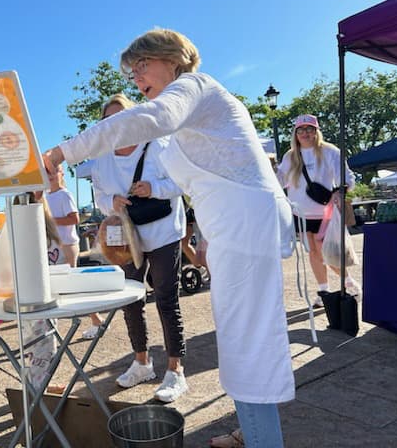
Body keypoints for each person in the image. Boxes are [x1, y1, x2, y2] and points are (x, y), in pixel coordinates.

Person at [42, 28, 294, 447]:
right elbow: (184, 181)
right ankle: (253, 429)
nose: (137, 79)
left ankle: (262, 438)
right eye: (133, 73)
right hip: (232, 228)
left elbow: (146, 119)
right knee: (240, 337)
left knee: (248, 340)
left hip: (246, 228)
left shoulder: (193, 87)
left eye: (142, 66)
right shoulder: (186, 114)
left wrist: (62, 152)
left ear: (171, 59)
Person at [82, 93, 192, 402]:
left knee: (167, 299)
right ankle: (142, 362)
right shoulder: (102, 158)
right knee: (131, 299)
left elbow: (184, 181)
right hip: (126, 237)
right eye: (109, 120)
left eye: (121, 117)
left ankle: (176, 371)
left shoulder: (159, 144)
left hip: (163, 231)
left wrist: (153, 188)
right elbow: (100, 197)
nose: (115, 124)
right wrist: (111, 202)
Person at [276, 114, 356, 307]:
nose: (306, 133)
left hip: (325, 213)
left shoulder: (329, 151)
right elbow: (279, 180)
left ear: (317, 131)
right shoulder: (290, 156)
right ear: (295, 134)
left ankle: (349, 283)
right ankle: (323, 291)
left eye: (310, 129)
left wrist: (340, 191)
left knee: (328, 253)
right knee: (313, 253)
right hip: (301, 214)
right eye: (301, 130)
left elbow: (347, 177)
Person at [44, 170, 80, 266]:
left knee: (68, 277)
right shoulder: (45, 197)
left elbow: (74, 219)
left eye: (53, 171)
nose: (50, 175)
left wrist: (50, 222)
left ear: (62, 174)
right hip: (53, 245)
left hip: (67, 245)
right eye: (47, 172)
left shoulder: (65, 194)